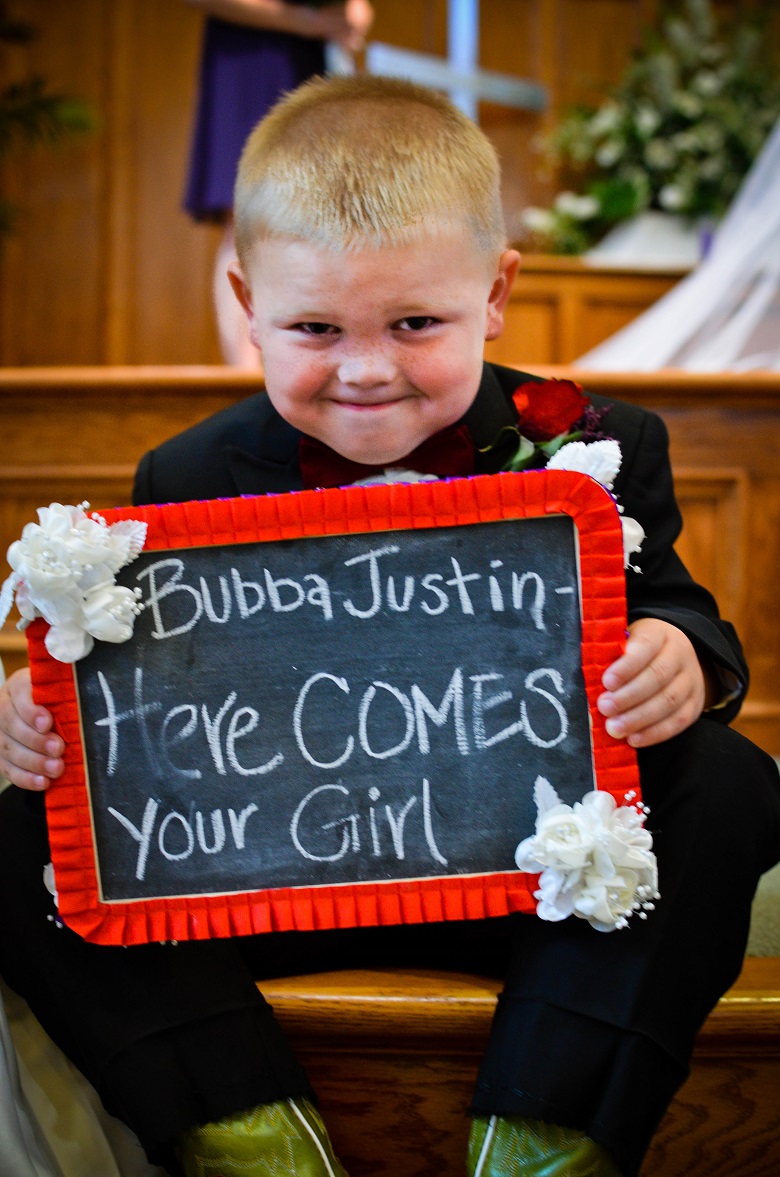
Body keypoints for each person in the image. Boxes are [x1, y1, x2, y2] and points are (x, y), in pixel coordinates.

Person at [1, 74, 780, 1177]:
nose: (367, 370)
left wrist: (680, 661)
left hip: (531, 881)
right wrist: (45, 723)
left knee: (732, 784)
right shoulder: (186, 473)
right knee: (20, 835)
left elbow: (683, 612)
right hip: (273, 883)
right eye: (315, 327)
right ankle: (245, 1133)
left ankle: (546, 1134)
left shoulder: (600, 444)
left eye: (417, 323)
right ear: (244, 301)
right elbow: (146, 711)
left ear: (497, 293)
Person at [183, 0, 374, 367]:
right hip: (249, 53)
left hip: (313, 59)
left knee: (318, 222)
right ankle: (245, 374)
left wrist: (353, 14)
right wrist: (294, 18)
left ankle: (309, 365)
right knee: (249, 220)